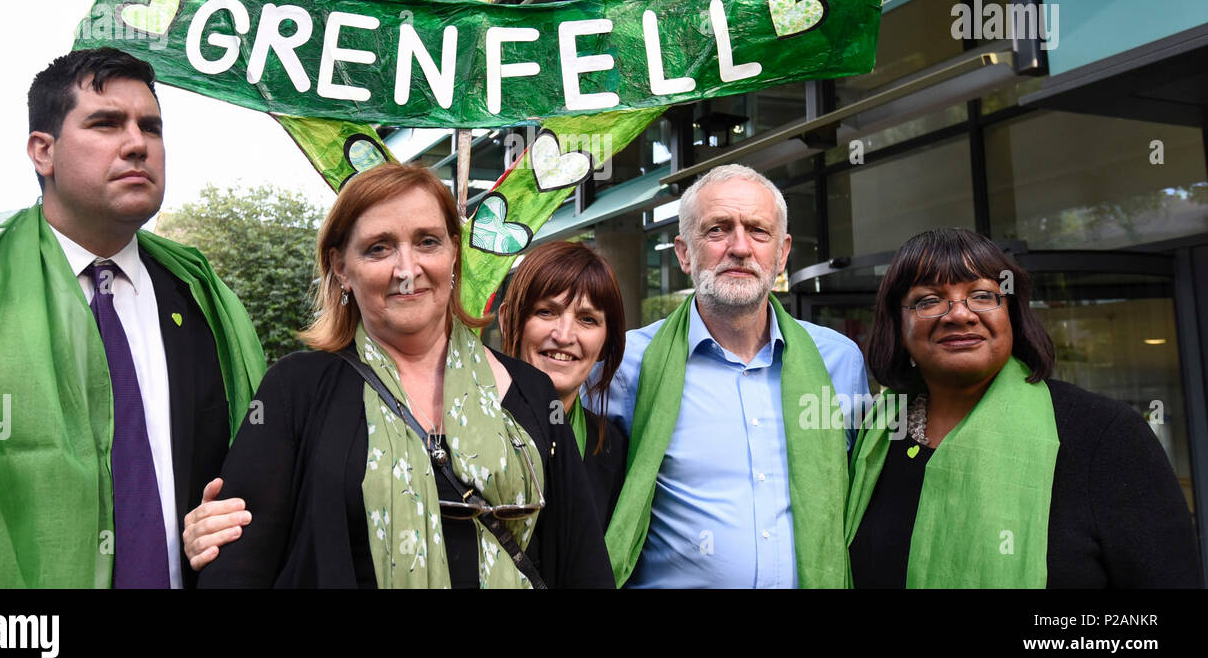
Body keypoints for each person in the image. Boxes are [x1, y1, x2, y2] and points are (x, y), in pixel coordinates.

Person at [0, 47, 265, 588]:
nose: (137, 143)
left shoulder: (204, 304)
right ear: (43, 151)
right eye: (105, 123)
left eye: (151, 127)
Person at [196, 162, 614, 588]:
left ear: (454, 251)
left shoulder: (531, 392)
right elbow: (234, 564)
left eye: (427, 242)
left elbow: (583, 564)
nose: (407, 269)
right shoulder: (294, 391)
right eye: (379, 248)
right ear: (341, 266)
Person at [846, 227, 1202, 588]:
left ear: (1011, 315)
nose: (959, 314)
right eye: (928, 300)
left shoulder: (1105, 434)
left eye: (983, 295)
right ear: (898, 325)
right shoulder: (874, 438)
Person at [600, 163, 869, 588]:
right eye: (718, 230)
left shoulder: (839, 362)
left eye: (759, 231)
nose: (740, 247)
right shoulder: (626, 364)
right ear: (684, 253)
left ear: (781, 253)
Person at [496, 240, 628, 530]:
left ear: (606, 343)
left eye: (587, 319)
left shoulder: (612, 449)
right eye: (546, 312)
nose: (565, 335)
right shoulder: (465, 427)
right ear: (508, 321)